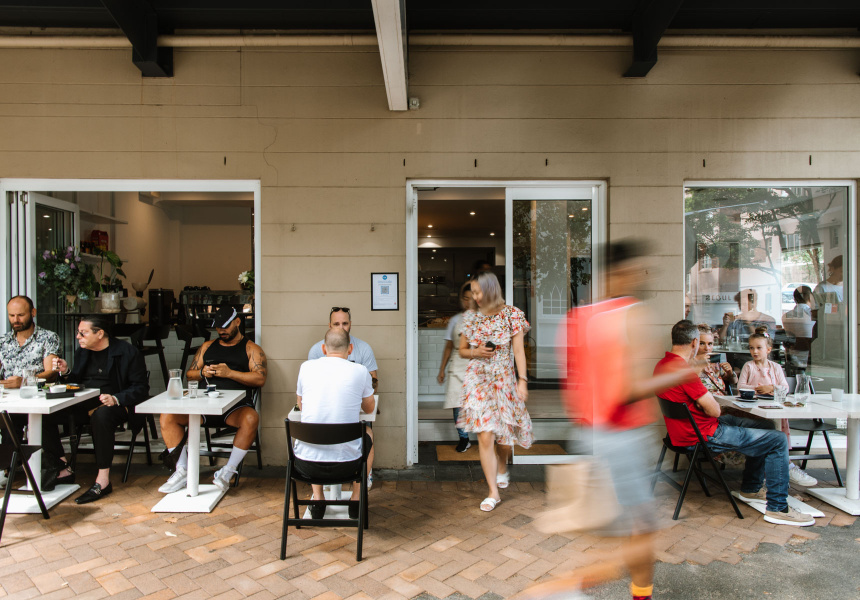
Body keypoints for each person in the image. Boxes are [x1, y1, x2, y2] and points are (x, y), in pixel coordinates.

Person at [524, 240, 699, 600]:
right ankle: (557, 591)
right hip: (624, 436)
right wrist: (681, 373)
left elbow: (573, 385)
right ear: (623, 271)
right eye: (641, 268)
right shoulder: (631, 314)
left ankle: (613, 592)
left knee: (627, 531)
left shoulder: (579, 318)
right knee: (642, 533)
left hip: (590, 434)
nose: (645, 275)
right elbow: (627, 390)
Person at [655, 320, 814, 526]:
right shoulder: (684, 371)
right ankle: (778, 508)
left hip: (684, 431)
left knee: (766, 426)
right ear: (694, 342)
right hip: (704, 434)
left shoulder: (662, 365)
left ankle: (751, 488)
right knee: (778, 440)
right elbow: (715, 410)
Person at [159, 305, 267, 494]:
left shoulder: (251, 349)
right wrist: (202, 372)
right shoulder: (207, 347)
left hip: (234, 408)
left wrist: (230, 373)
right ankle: (182, 470)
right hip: (204, 406)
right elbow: (190, 375)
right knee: (168, 416)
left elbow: (260, 379)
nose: (221, 331)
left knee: (251, 418)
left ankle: (227, 471)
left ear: (237, 322)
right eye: (218, 327)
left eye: (225, 326)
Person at [50, 315, 149, 503]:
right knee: (47, 414)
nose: (78, 337)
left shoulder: (127, 352)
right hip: (84, 404)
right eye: (78, 333)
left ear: (100, 333)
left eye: (83, 333)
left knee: (101, 416)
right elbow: (76, 383)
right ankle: (62, 467)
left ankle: (103, 480)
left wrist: (116, 398)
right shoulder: (82, 352)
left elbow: (141, 388)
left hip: (116, 405)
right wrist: (66, 372)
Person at [457, 271, 532, 512]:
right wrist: (475, 352)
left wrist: (522, 381)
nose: (475, 297)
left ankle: (502, 466)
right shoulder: (471, 317)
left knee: (505, 437)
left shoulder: (512, 314)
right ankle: (493, 493)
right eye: (473, 292)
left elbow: (518, 351)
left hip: (503, 381)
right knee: (485, 435)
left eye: (478, 292)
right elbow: (462, 350)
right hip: (478, 381)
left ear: (491, 289)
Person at [295, 328, 375, 519]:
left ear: (323, 349)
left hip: (306, 465)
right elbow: (369, 408)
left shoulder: (306, 368)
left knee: (313, 430)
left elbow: (301, 405)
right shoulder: (360, 371)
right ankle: (356, 499)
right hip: (348, 465)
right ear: (350, 349)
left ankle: (318, 499)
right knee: (368, 432)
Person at [308, 307, 379, 487]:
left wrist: (360, 390)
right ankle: (344, 486)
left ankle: (361, 476)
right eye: (336, 324)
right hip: (325, 411)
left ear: (350, 325)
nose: (341, 328)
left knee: (364, 426)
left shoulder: (363, 348)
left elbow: (374, 382)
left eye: (345, 323)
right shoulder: (315, 351)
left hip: (353, 411)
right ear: (329, 325)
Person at [739, 327, 816, 486]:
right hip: (755, 409)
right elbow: (741, 387)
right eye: (751, 348)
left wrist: (772, 388)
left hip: (774, 407)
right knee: (764, 434)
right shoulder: (749, 366)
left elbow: (785, 387)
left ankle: (783, 468)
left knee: (778, 429)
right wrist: (758, 389)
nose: (754, 351)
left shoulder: (776, 367)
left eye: (759, 348)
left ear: (768, 349)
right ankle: (771, 470)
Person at [0, 296, 60, 488]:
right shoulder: (3, 341)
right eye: (11, 315)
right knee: (6, 419)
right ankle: (8, 466)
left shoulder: (48, 338)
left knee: (36, 420)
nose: (16, 320)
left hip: (38, 397)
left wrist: (24, 381)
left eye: (20, 315)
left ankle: (53, 466)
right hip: (9, 400)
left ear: (33, 313)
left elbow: (51, 373)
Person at [436, 282, 475, 453]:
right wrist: (442, 369)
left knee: (476, 403)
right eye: (465, 298)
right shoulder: (455, 320)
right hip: (457, 365)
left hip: (476, 365)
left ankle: (484, 435)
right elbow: (448, 347)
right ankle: (463, 438)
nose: (468, 302)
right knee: (457, 404)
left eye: (471, 298)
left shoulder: (484, 320)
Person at [696, 324, 737, 395]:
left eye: (710, 344)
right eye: (702, 343)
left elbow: (734, 381)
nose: (707, 348)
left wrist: (730, 373)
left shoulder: (715, 363)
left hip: (722, 399)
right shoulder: (689, 363)